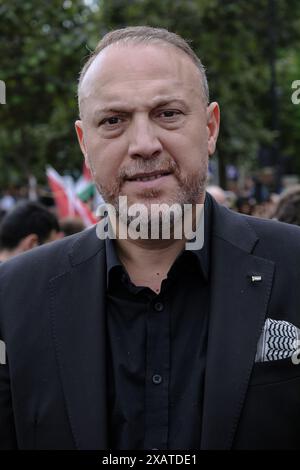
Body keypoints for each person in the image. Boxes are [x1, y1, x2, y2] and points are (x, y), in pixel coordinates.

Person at [1, 26, 300, 451]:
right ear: (84, 143)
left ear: (211, 127)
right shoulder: (11, 301)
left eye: (168, 113)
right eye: (114, 121)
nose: (143, 144)